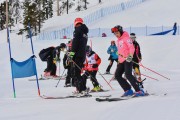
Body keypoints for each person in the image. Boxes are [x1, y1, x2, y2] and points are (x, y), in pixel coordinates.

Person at [111, 25, 144, 97]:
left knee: (128, 74)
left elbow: (131, 48)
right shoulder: (118, 40)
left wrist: (130, 56)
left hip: (128, 59)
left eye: (117, 33)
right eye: (115, 34)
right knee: (117, 75)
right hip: (122, 60)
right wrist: (119, 59)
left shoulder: (126, 38)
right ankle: (128, 89)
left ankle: (139, 90)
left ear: (120, 31)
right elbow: (122, 50)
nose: (116, 35)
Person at [68, 18, 89, 95]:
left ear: (75, 23)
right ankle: (82, 88)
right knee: (78, 73)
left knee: (76, 73)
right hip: (82, 55)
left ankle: (81, 89)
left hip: (77, 55)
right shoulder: (85, 32)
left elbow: (75, 44)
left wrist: (71, 55)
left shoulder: (77, 30)